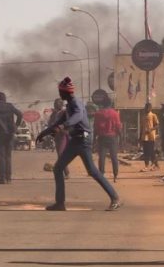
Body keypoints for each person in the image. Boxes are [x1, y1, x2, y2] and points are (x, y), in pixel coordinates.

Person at [36, 77, 121, 211]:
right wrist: (44, 133)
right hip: (75, 140)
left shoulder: (76, 103)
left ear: (67, 92)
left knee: (92, 171)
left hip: (83, 140)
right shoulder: (69, 106)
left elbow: (78, 116)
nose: (60, 94)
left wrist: (65, 124)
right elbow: (57, 123)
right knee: (58, 168)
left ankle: (115, 198)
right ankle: (60, 203)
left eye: (61, 92)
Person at [93, 97, 122, 182]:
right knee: (114, 157)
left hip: (102, 137)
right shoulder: (115, 113)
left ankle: (101, 175)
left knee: (101, 157)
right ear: (111, 103)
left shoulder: (98, 114)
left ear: (102, 103)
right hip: (112, 137)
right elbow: (118, 127)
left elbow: (95, 127)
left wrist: (94, 139)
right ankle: (115, 175)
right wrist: (121, 138)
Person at [47, 98, 70, 179]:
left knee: (61, 155)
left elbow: (68, 123)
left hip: (63, 135)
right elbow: (49, 124)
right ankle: (64, 172)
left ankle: (66, 173)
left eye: (59, 103)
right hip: (56, 137)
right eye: (56, 103)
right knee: (60, 155)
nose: (57, 105)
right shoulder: (53, 114)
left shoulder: (64, 113)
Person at [140, 102, 159, 172]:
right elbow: (142, 127)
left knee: (151, 151)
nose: (146, 109)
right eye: (146, 107)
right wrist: (140, 137)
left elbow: (157, 125)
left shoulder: (153, 115)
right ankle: (147, 166)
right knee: (145, 151)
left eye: (148, 107)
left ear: (150, 108)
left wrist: (151, 129)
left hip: (151, 136)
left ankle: (155, 165)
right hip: (144, 136)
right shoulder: (143, 116)